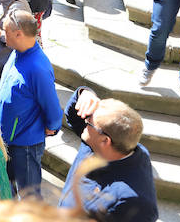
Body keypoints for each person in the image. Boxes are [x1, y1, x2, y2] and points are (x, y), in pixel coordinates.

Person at [58, 88, 158, 222]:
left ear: (105, 140)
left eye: (89, 121)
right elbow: (74, 117)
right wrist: (84, 93)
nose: (85, 121)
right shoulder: (109, 143)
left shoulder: (135, 203)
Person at [0, 11, 62, 199]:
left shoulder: (38, 68)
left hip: (24, 145)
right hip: (8, 139)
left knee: (29, 197)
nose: (3, 34)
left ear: (19, 34)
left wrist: (52, 126)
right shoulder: (17, 52)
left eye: (6, 31)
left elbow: (53, 108)